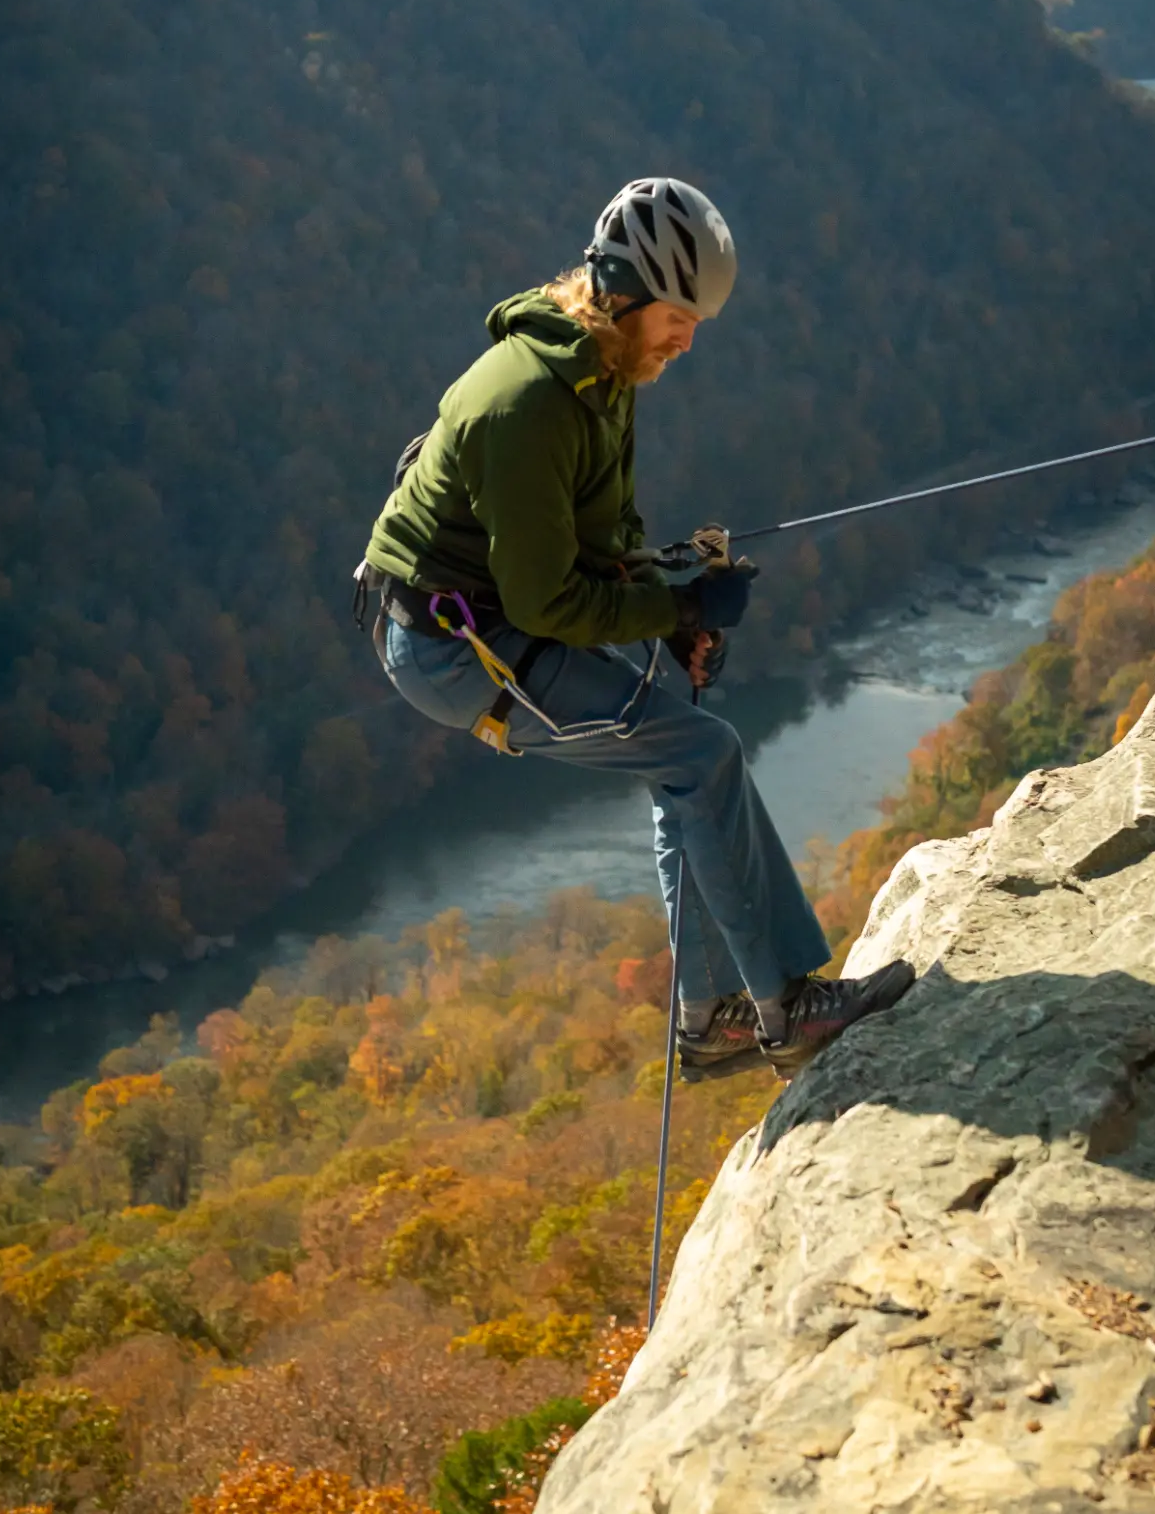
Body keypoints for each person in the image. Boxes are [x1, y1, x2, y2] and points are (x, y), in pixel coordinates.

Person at [357, 177, 913, 1081]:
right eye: (678, 315)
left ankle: (715, 1017)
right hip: (456, 651)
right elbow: (545, 605)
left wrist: (669, 594)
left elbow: (600, 534)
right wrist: (677, 609)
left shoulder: (602, 368)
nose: (689, 338)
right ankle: (775, 1010)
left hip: (494, 621)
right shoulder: (528, 403)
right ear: (620, 296)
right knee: (700, 753)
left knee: (684, 758)